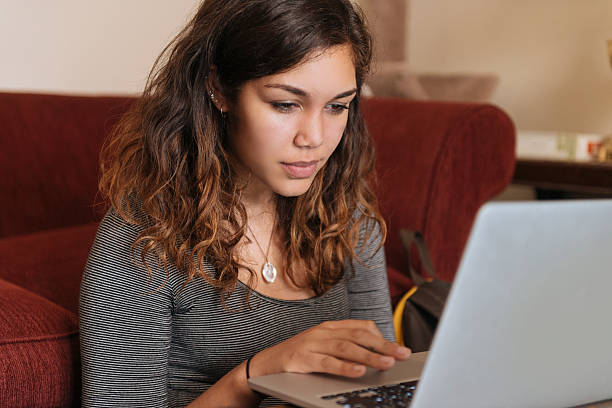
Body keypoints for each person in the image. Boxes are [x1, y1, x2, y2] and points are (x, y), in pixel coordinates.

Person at [79, 0, 412, 406]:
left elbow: (380, 385)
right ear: (219, 89)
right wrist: (254, 377)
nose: (314, 137)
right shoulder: (143, 239)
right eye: (286, 104)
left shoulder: (345, 212)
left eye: (337, 106)